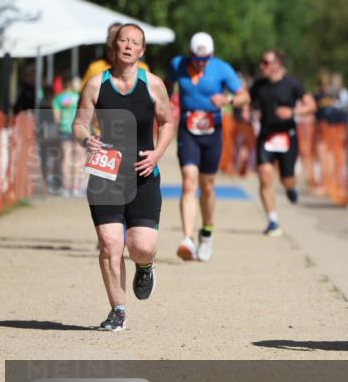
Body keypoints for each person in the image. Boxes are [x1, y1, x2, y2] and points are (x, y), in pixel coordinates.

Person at [71, 23, 175, 331]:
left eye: (135, 43)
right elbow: (79, 124)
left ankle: (144, 266)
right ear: (113, 48)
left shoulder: (153, 85)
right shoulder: (95, 84)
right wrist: (85, 138)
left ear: (142, 51)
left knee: (140, 244)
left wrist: (158, 154)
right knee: (109, 242)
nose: (128, 46)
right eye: (123, 41)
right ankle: (117, 309)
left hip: (143, 172)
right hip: (106, 172)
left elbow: (167, 122)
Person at [169, 32, 249, 262]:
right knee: (188, 181)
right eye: (196, 58)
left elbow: (245, 96)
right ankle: (187, 238)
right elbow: (166, 84)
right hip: (187, 129)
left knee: (208, 186)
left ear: (211, 56)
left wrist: (229, 101)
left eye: (204, 59)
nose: (200, 63)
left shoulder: (222, 69)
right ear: (190, 54)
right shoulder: (178, 64)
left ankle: (207, 234)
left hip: (212, 131)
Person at [250, 49, 316, 235]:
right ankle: (272, 220)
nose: (262, 66)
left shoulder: (292, 84)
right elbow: (248, 99)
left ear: (277, 64)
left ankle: (291, 187)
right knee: (264, 176)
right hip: (266, 136)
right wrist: (245, 109)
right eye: (261, 62)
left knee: (287, 180)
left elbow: (311, 105)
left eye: (266, 62)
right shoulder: (259, 85)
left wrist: (293, 112)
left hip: (287, 136)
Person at [82, 22, 150, 89]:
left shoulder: (144, 70)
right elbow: (83, 91)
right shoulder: (95, 68)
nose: (128, 46)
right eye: (123, 40)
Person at [52, 76, 84, 196]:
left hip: (65, 129)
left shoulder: (60, 98)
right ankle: (75, 187)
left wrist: (60, 125)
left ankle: (66, 187)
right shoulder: (81, 96)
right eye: (78, 83)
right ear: (71, 84)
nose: (79, 85)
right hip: (79, 130)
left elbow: (56, 117)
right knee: (78, 158)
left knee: (66, 157)